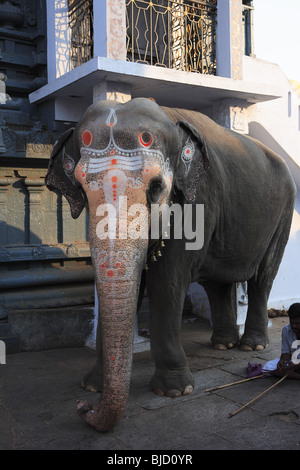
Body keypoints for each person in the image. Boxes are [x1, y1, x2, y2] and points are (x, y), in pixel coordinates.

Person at [263, 303, 300, 379]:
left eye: (297, 323)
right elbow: (286, 353)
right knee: (268, 367)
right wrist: (283, 362)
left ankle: (294, 376)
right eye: (292, 322)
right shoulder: (286, 330)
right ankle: (291, 374)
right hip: (294, 362)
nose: (294, 326)